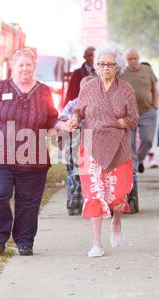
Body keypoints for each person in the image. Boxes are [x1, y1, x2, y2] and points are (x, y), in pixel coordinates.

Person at [0, 48, 69, 256]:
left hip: (33, 157)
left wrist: (63, 125)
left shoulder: (43, 91)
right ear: (13, 67)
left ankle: (25, 241)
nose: (25, 69)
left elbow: (51, 117)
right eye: (20, 65)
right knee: (0, 193)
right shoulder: (2, 87)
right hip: (1, 154)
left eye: (28, 65)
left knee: (29, 200)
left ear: (34, 66)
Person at [69, 43, 139, 257]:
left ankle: (116, 221)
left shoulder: (126, 89)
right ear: (96, 66)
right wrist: (73, 118)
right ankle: (96, 243)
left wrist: (116, 123)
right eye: (102, 64)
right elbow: (79, 111)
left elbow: (133, 120)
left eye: (110, 64)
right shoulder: (88, 88)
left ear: (117, 67)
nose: (106, 68)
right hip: (91, 146)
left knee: (118, 194)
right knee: (95, 194)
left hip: (119, 147)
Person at [59, 75, 97, 216]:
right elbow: (62, 118)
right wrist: (69, 120)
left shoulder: (100, 104)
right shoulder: (73, 104)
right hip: (76, 144)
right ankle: (77, 194)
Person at [120, 49, 158, 174]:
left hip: (147, 111)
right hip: (129, 113)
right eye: (130, 59)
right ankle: (133, 168)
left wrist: (155, 105)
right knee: (130, 143)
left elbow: (154, 88)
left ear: (138, 58)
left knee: (147, 139)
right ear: (127, 60)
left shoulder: (147, 70)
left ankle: (140, 159)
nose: (133, 61)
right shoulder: (122, 72)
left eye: (135, 58)